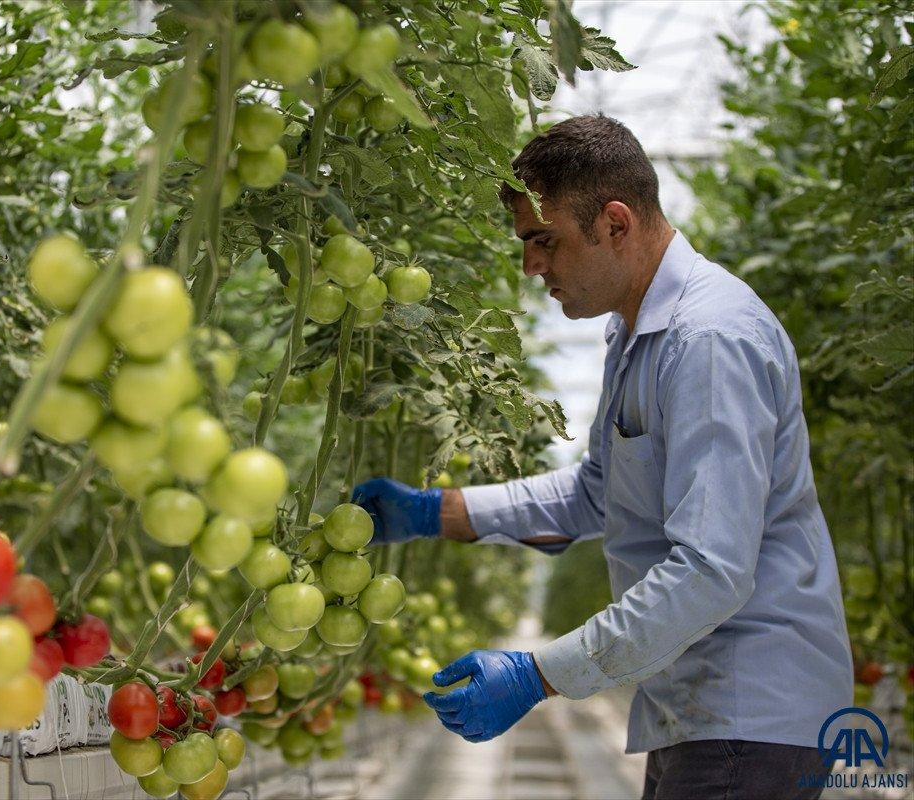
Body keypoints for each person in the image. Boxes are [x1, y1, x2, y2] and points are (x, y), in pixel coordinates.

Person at [352, 115, 852, 800]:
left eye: (542, 240)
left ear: (615, 223)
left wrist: (541, 673)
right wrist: (441, 512)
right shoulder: (641, 335)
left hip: (748, 709)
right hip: (700, 705)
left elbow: (712, 572)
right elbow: (598, 492)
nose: (530, 265)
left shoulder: (708, 341)